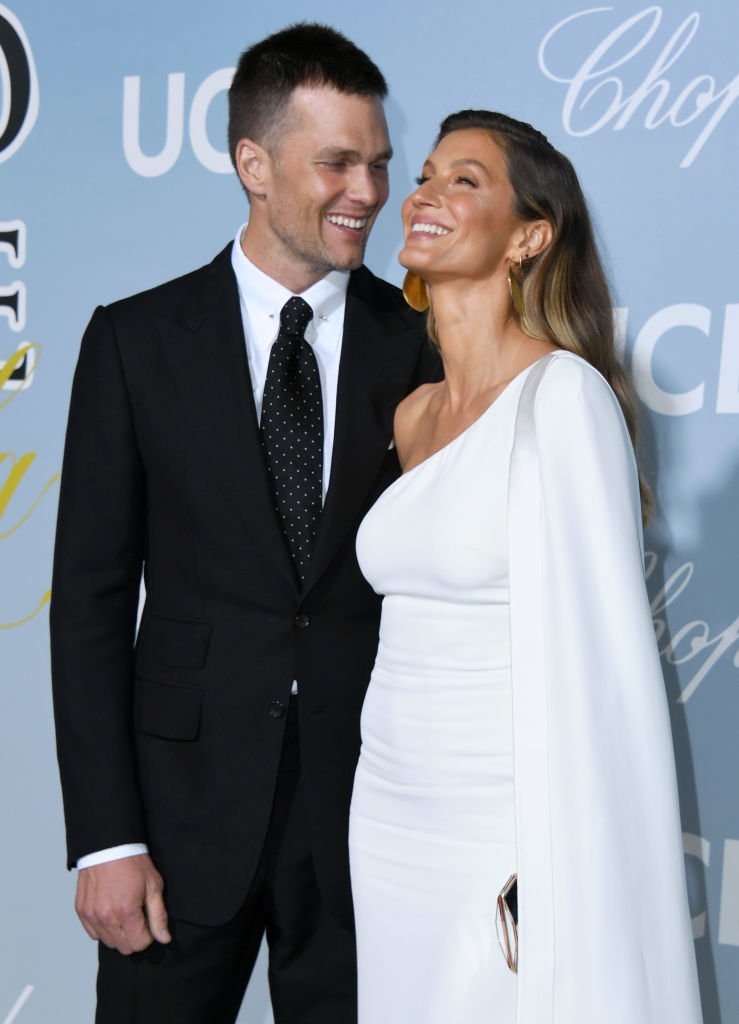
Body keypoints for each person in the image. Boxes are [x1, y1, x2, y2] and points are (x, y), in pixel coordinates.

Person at [50, 23, 439, 1024]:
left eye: (380, 164)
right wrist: (106, 839)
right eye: (338, 162)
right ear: (253, 165)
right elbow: (89, 602)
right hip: (176, 821)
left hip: (368, 818)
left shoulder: (423, 349)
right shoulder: (136, 341)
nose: (367, 189)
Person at [349, 110, 703, 1023]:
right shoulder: (410, 416)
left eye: (465, 180)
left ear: (530, 236)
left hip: (501, 825)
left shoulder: (563, 397)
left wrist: (562, 867)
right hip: (388, 815)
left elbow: (605, 674)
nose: (425, 194)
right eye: (424, 175)